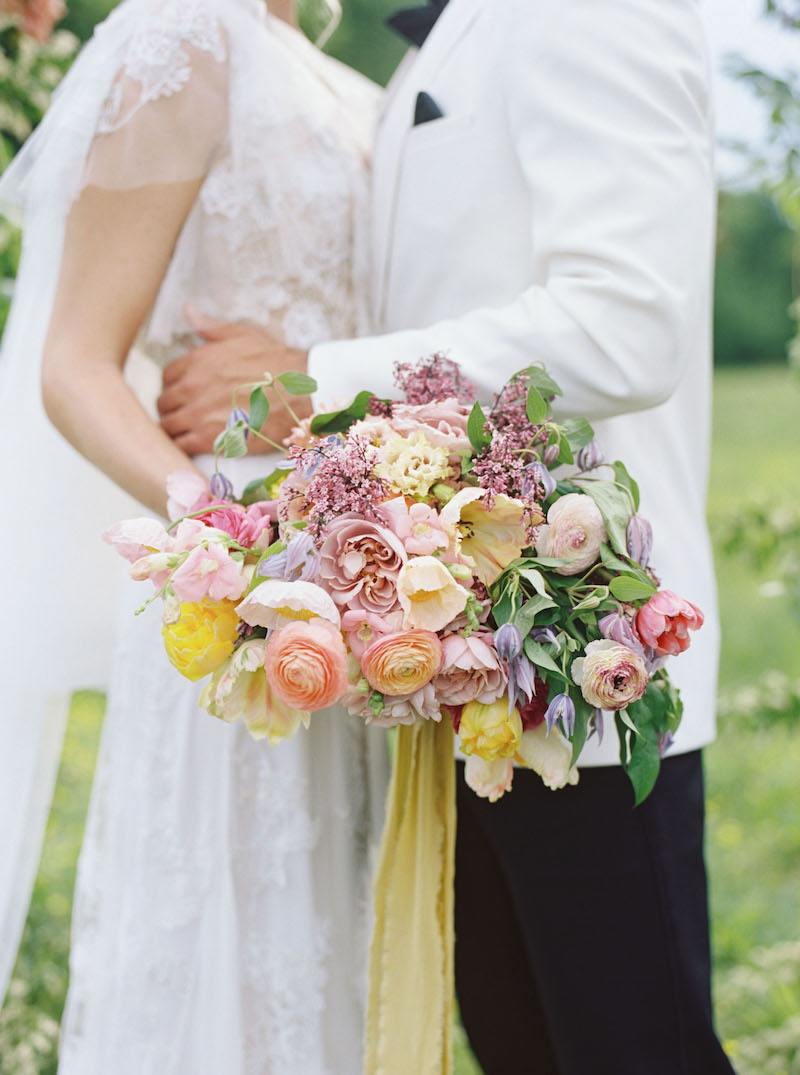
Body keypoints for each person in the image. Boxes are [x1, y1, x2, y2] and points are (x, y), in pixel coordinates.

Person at [160, 0, 737, 1071]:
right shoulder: (443, 36)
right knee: (518, 1042)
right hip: (450, 669)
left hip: (589, 666)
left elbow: (623, 327)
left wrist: (318, 379)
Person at [0, 0, 390, 1071]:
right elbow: (74, 363)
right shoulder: (180, 35)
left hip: (360, 584)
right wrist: (221, 539)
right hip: (231, 598)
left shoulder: (343, 82)